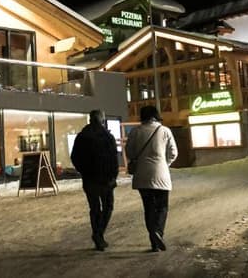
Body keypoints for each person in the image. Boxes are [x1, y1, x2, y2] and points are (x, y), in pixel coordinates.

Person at [125, 105, 178, 252]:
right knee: (162, 206)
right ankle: (158, 232)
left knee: (148, 208)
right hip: (161, 174)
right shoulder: (164, 131)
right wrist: (164, 163)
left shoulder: (135, 131)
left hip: (142, 175)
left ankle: (154, 241)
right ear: (156, 115)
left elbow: (129, 152)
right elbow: (173, 152)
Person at [70, 109, 119, 251]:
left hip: (89, 179)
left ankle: (98, 235)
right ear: (102, 119)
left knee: (95, 208)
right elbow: (113, 159)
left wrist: (84, 171)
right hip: (106, 179)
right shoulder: (107, 136)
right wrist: (113, 176)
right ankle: (98, 234)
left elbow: (75, 157)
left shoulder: (82, 136)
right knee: (108, 207)